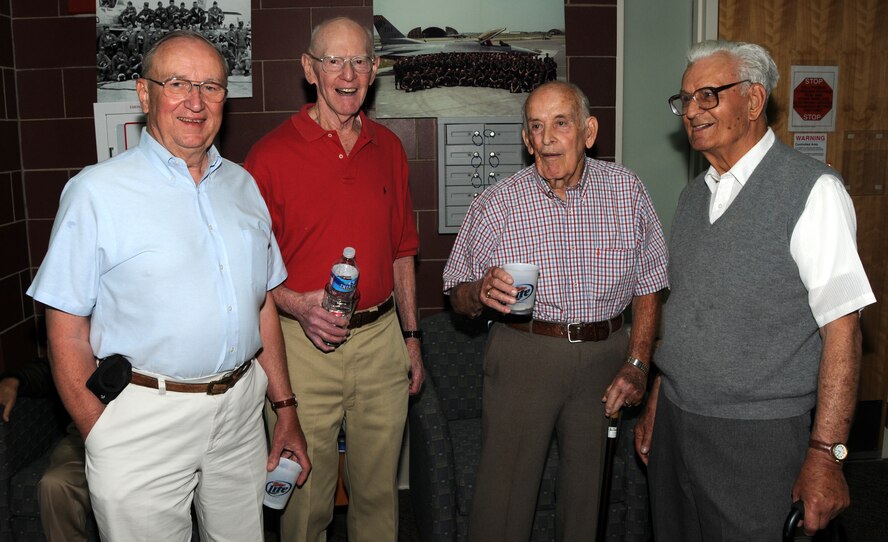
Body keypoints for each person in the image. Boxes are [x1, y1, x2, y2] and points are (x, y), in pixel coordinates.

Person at [27, 30, 310, 541]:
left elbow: (262, 304)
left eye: (212, 86)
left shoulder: (244, 186)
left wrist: (284, 408)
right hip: (141, 420)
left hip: (242, 413)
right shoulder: (96, 191)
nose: (196, 102)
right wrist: (102, 431)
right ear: (143, 92)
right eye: (177, 83)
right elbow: (64, 329)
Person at [635, 40, 876, 541]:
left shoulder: (812, 191)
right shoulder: (691, 197)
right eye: (685, 100)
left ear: (753, 100)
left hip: (758, 437)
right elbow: (684, 315)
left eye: (707, 95)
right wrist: (661, 396)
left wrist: (826, 455)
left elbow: (844, 332)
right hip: (678, 425)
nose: (692, 112)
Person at [443, 80, 669, 539]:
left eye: (560, 123)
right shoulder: (498, 202)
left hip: (606, 358)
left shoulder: (627, 190)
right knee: (502, 500)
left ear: (588, 131)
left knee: (589, 499)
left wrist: (638, 362)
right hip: (525, 353)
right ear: (526, 140)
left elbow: (650, 284)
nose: (547, 138)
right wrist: (479, 291)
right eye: (536, 127)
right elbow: (454, 291)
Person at [244, 16, 424, 542]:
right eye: (334, 61)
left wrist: (412, 339)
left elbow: (402, 252)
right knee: (303, 502)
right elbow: (247, 273)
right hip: (300, 347)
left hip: (380, 342)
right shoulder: (268, 156)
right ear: (309, 69)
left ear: (374, 70)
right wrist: (298, 305)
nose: (349, 74)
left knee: (379, 500)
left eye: (361, 60)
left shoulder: (388, 148)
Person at [1, 359, 90, 542]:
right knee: (55, 484)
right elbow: (52, 367)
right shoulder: (88, 339)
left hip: (145, 434)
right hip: (86, 434)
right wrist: (14, 380)